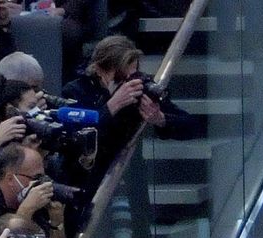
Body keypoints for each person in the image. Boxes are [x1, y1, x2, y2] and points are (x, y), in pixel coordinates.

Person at [60, 35, 201, 177]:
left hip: (130, 174)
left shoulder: (138, 89)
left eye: (131, 76)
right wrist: (111, 106)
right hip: (88, 177)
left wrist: (161, 119)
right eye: (120, 78)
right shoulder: (75, 91)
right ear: (98, 69)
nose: (126, 85)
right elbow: (75, 141)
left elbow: (192, 126)